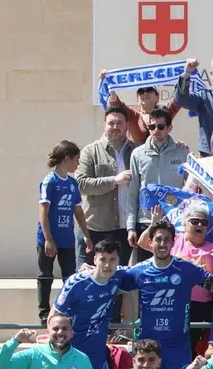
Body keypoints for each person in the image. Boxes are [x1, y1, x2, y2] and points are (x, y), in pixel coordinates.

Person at [130, 219, 213, 369]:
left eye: (167, 240)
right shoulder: (139, 271)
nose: (162, 244)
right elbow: (113, 283)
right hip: (148, 348)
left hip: (178, 348)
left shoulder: (187, 269)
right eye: (158, 239)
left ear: (173, 243)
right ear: (150, 242)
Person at [138, 202, 213, 355]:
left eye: (204, 222)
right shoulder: (174, 240)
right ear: (184, 223)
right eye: (195, 221)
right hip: (173, 303)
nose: (200, 225)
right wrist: (154, 224)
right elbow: (143, 243)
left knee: (190, 346)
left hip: (200, 306)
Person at [52, 239, 135, 369]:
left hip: (97, 351)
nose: (107, 265)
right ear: (95, 259)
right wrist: (53, 346)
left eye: (112, 260)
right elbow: (54, 315)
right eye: (102, 259)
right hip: (72, 349)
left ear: (118, 261)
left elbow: (145, 269)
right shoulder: (76, 282)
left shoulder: (119, 275)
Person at [37, 141, 91, 324]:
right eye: (76, 160)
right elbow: (43, 211)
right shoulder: (49, 182)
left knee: (69, 276)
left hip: (67, 239)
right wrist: (48, 239)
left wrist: (86, 234)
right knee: (46, 274)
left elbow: (78, 211)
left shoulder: (72, 183)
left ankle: (67, 310)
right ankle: (44, 312)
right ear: (66, 159)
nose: (78, 164)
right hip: (49, 239)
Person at [125, 107, 190, 261]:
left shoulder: (182, 153)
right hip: (146, 223)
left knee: (173, 272)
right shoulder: (138, 154)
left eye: (161, 127)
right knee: (146, 275)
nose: (156, 130)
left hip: (174, 223)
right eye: (152, 127)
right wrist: (131, 227)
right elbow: (133, 191)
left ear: (169, 128)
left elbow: (190, 188)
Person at [75, 106, 135, 268]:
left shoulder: (136, 152)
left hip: (124, 229)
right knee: (86, 280)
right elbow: (81, 184)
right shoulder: (90, 152)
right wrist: (114, 180)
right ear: (104, 125)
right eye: (111, 123)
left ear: (127, 125)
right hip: (94, 228)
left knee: (117, 283)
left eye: (120, 123)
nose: (115, 127)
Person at [102, 76, 182, 144]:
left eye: (149, 90)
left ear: (157, 97)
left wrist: (187, 74)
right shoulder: (132, 116)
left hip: (160, 159)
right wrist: (107, 82)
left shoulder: (164, 114)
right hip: (137, 160)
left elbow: (179, 98)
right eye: (141, 91)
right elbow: (115, 102)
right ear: (137, 99)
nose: (145, 93)